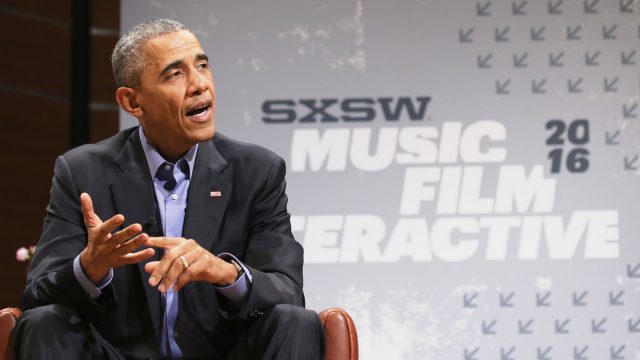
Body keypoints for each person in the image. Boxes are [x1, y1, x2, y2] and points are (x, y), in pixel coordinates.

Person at [13, 18, 325, 359]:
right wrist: (90, 267)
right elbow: (37, 296)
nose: (200, 85)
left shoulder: (257, 171)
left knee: (296, 321)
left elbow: (287, 291)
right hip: (119, 354)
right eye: (175, 74)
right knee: (44, 322)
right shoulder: (82, 171)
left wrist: (222, 271)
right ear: (132, 102)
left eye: (202, 66)